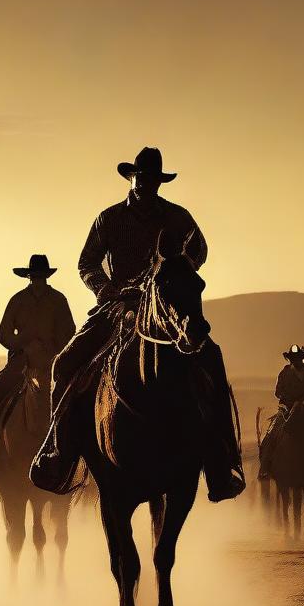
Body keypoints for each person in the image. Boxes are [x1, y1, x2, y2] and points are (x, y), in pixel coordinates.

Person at [31, 147, 245, 502]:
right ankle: (59, 451)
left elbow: (200, 250)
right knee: (65, 363)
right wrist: (107, 290)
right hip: (118, 305)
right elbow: (87, 262)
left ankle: (221, 463)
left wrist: (174, 276)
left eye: (152, 179)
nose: (146, 184)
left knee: (211, 360)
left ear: (160, 182)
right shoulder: (110, 219)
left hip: (165, 311)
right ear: (132, 178)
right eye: (141, 178)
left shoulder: (178, 218)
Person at [0, 255, 75, 491]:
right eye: (34, 277)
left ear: (45, 277)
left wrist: (50, 349)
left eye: (40, 277)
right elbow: (3, 333)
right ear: (29, 277)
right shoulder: (18, 300)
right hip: (19, 366)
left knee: (78, 404)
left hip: (52, 366)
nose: (37, 280)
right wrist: (23, 346)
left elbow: (70, 333)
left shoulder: (59, 301)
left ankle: (81, 471)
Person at [259, 344, 304, 477]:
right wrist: (286, 400)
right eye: (293, 358)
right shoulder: (285, 372)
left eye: (298, 358)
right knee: (271, 435)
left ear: (302, 358)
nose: (295, 361)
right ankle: (264, 469)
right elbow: (278, 391)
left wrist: (303, 401)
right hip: (286, 408)